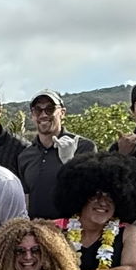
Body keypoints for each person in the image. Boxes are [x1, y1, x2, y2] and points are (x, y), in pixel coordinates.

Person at [17, 90, 97, 220]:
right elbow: (26, 199)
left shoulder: (83, 147)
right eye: (38, 110)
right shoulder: (25, 155)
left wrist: (69, 162)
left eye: (50, 109)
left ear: (62, 113)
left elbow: (91, 192)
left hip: (73, 230)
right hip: (37, 231)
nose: (43, 115)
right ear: (32, 115)